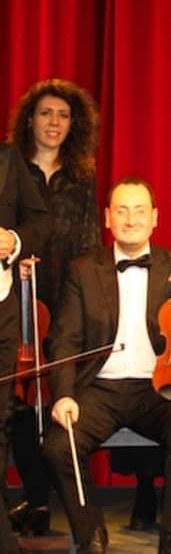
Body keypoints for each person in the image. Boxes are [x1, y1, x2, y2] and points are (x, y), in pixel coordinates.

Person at [43, 178, 171, 554]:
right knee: (58, 445)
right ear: (107, 218)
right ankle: (91, 534)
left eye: (139, 210)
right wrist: (64, 395)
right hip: (99, 388)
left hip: (158, 387)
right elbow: (64, 340)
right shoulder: (83, 269)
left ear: (155, 217)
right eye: (121, 210)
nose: (130, 219)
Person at [7, 78, 101, 536]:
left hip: (66, 299)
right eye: (45, 113)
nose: (54, 122)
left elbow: (89, 240)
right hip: (15, 296)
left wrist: (86, 298)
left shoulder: (82, 177)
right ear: (30, 119)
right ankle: (37, 497)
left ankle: (59, 496)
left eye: (63, 115)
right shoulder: (10, 168)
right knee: (21, 400)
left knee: (60, 395)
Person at [0, 143, 50, 554]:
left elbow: (39, 219)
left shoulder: (7, 157)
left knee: (1, 421)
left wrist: (14, 241)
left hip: (1, 305)